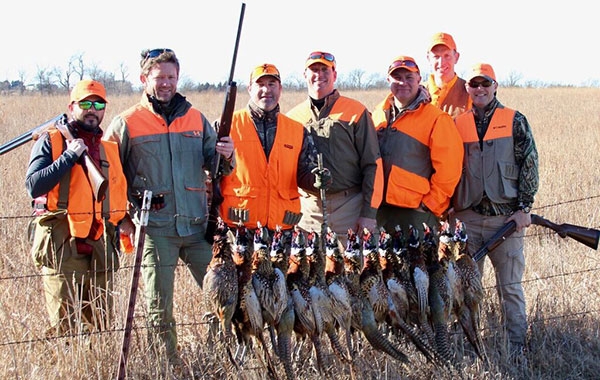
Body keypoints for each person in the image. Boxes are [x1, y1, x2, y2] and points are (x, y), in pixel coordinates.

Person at [103, 48, 234, 362]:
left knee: (223, 297)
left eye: (171, 77)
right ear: (144, 78)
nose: (165, 83)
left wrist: (227, 154)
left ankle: (217, 358)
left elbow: (219, 168)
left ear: (178, 77)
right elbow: (109, 177)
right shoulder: (127, 123)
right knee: (159, 308)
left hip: (197, 226)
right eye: (159, 77)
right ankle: (168, 365)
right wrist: (123, 220)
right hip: (155, 230)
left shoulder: (196, 118)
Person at [451, 63, 539, 362]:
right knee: (465, 291)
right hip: (467, 221)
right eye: (474, 84)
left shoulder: (514, 120)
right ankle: (468, 347)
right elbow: (448, 170)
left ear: (495, 85)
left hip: (506, 221)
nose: (479, 89)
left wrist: (524, 209)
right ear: (468, 89)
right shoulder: (457, 123)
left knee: (510, 289)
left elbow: (529, 163)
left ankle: (516, 348)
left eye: (485, 83)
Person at [25, 79, 128, 337]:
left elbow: (116, 198)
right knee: (64, 328)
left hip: (100, 246)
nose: (92, 109)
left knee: (101, 325)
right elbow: (33, 185)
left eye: (98, 104)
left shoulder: (109, 148)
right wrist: (69, 157)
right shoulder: (51, 141)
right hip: (63, 244)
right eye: (85, 103)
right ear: (72, 106)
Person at [286, 51, 383, 243]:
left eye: (325, 69)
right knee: (309, 270)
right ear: (305, 75)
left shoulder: (356, 111)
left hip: (349, 207)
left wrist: (369, 213)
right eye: (314, 70)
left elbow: (373, 164)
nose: (319, 75)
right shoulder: (292, 118)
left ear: (334, 75)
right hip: (308, 211)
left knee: (352, 269)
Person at [220, 63, 327, 234]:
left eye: (272, 84)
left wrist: (317, 180)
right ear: (249, 88)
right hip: (238, 228)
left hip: (283, 230)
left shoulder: (297, 131)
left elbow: (305, 173)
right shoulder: (227, 125)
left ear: (280, 89)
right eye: (260, 84)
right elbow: (209, 173)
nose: (266, 90)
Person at [371, 56, 464, 238]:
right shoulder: (378, 115)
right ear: (388, 80)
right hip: (379, 211)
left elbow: (450, 170)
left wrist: (430, 205)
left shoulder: (436, 119)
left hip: (415, 214)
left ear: (419, 80)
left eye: (409, 77)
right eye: (397, 77)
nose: (403, 83)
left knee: (418, 266)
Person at [424, 32, 471, 117]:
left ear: (456, 57)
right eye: (436, 56)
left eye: (447, 55)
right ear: (428, 58)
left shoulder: (469, 92)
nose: (441, 62)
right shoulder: (417, 93)